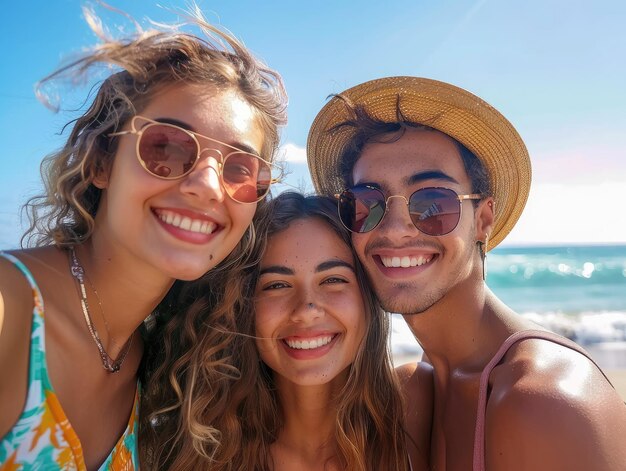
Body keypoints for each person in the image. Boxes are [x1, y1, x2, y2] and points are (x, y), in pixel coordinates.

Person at [0, 4, 287, 469]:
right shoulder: (11, 312)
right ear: (100, 162)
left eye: (240, 169)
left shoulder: (153, 360)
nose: (208, 186)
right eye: (167, 149)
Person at [306, 76, 626, 470]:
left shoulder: (542, 401)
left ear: (483, 220)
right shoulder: (415, 391)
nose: (394, 228)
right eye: (367, 202)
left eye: (433, 202)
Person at [140, 192, 433, 470]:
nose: (306, 309)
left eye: (333, 279)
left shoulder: (417, 407)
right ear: (243, 307)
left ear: (367, 296)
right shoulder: (199, 452)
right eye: (276, 285)